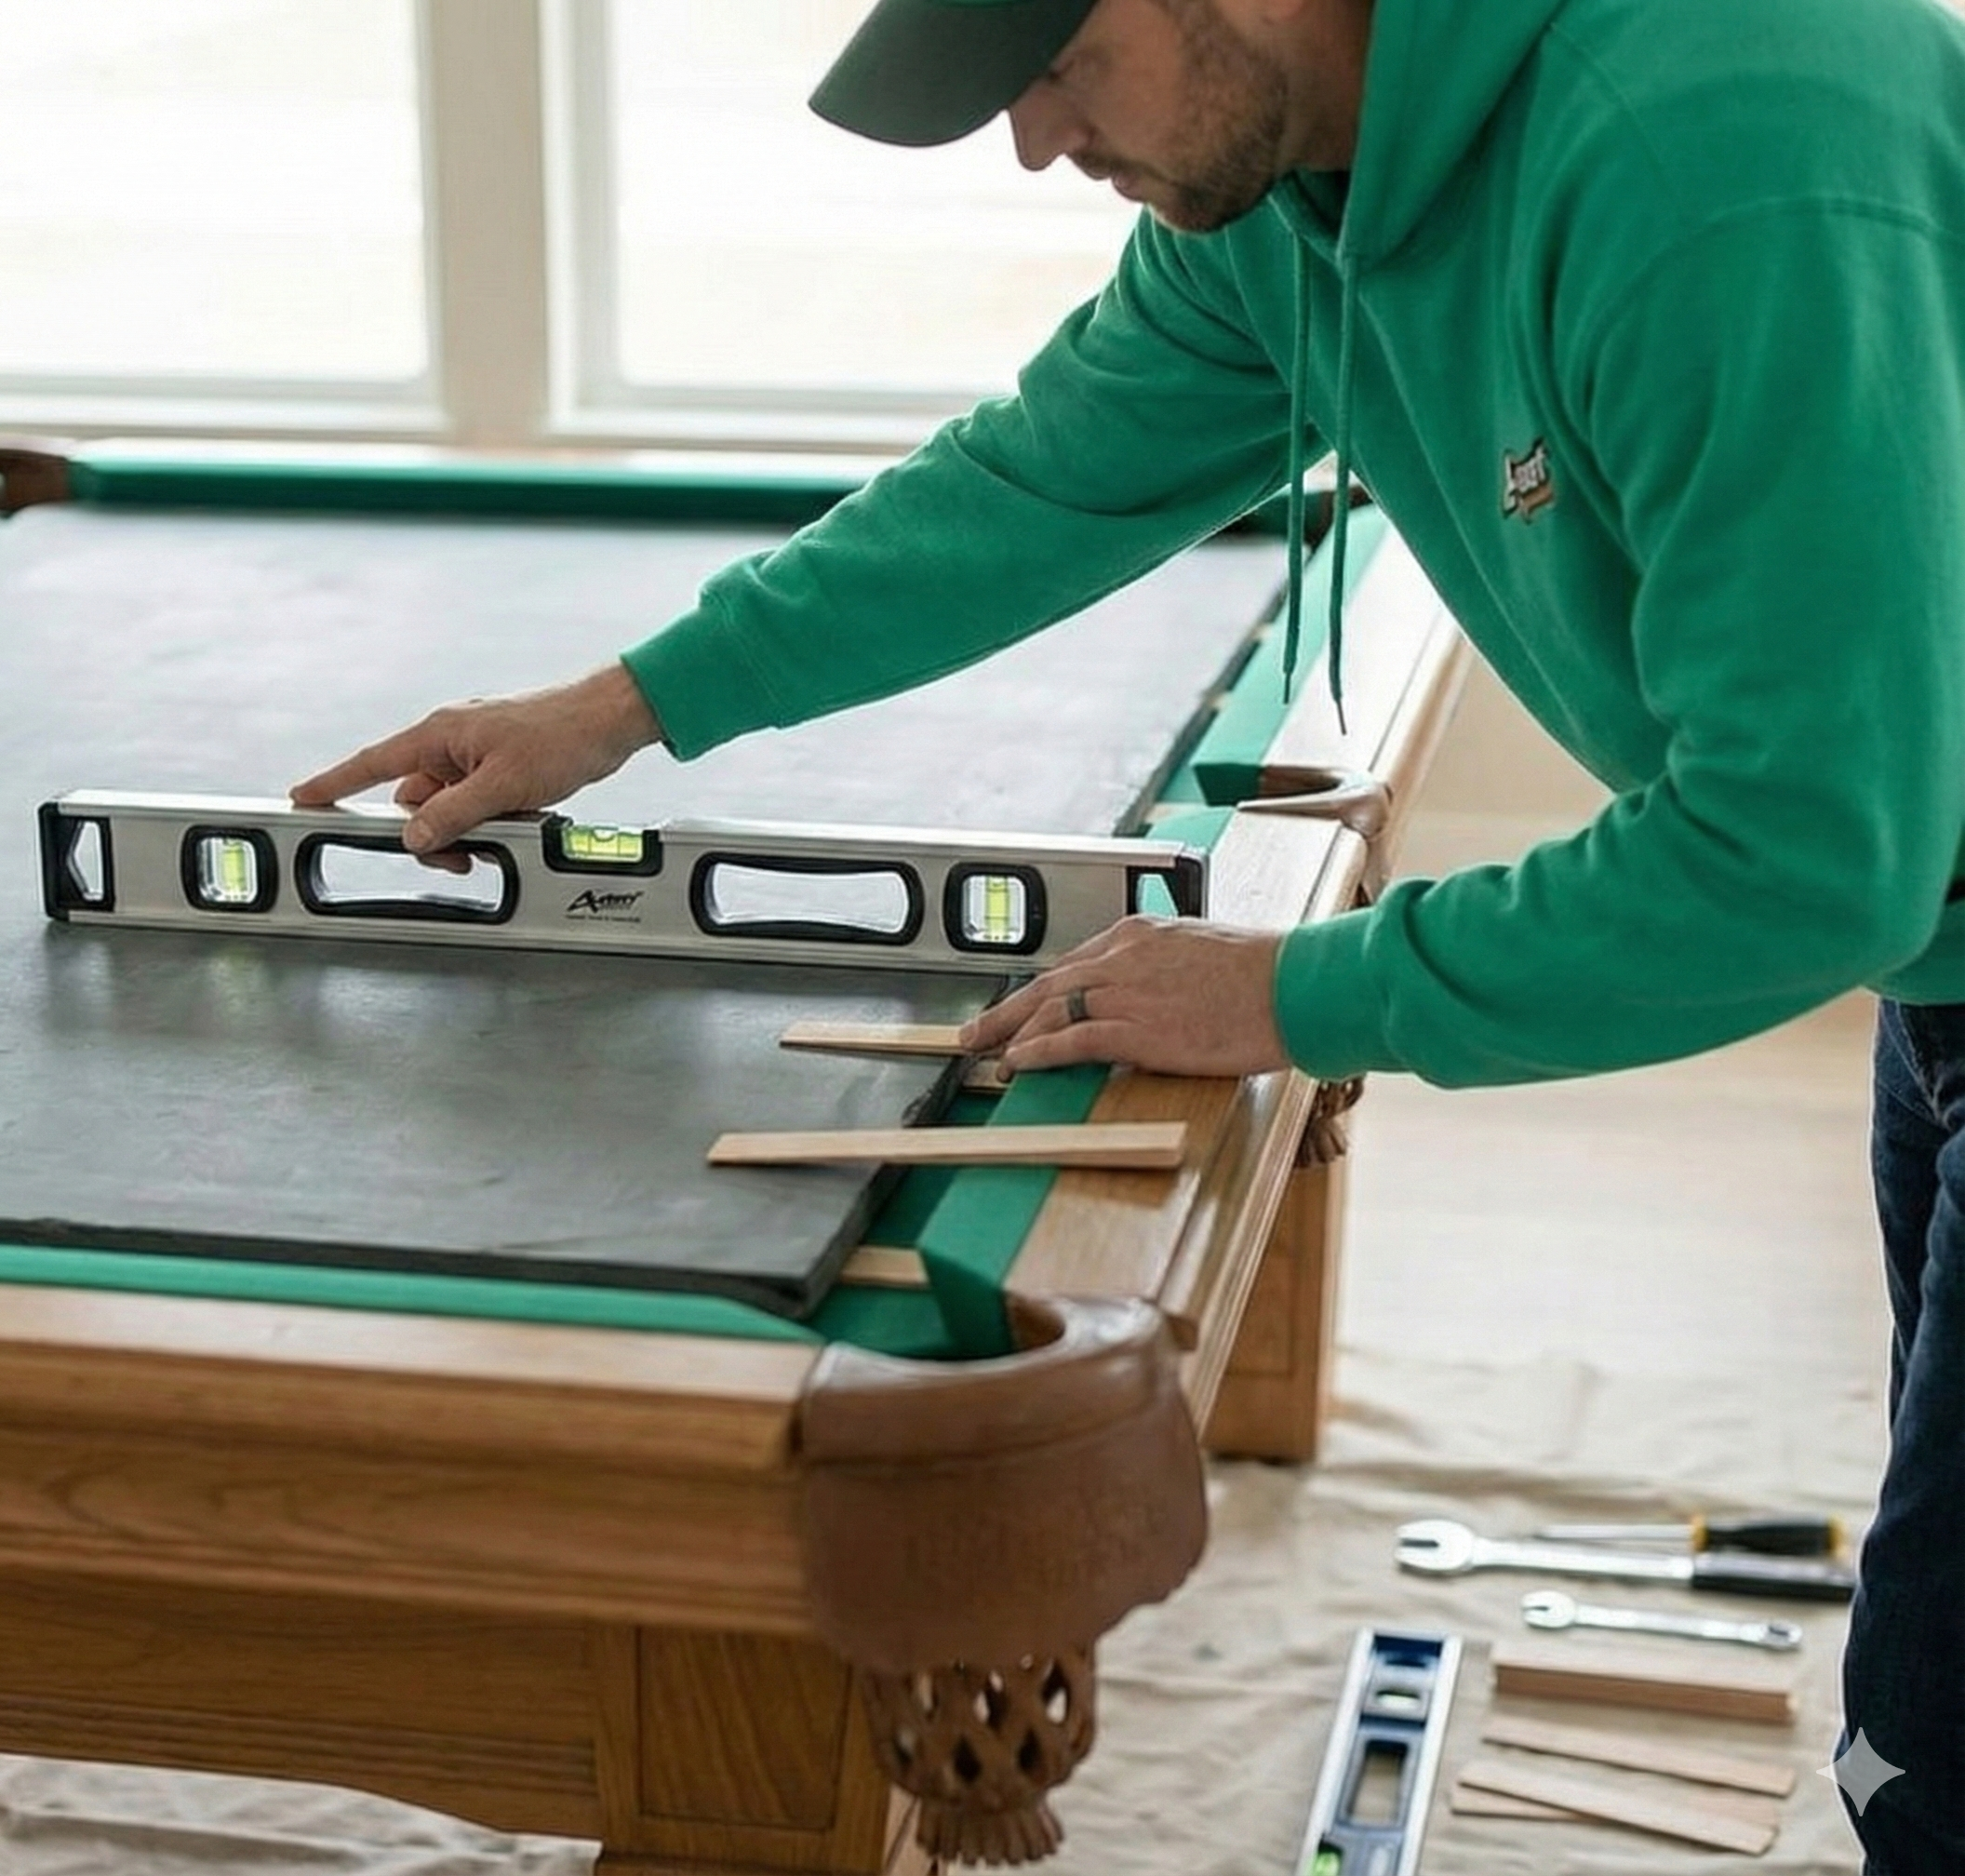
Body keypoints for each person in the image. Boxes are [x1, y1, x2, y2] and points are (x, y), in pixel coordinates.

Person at [293, 0, 1965, 1866]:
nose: (1031, 140)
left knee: (1942, 1751)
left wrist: (1286, 990)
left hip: (1914, 900)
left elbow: (1803, 858)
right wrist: (622, 704)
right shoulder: (1285, 193)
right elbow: (1038, 481)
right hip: (1949, 963)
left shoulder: (1711, 152)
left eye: (1056, 69)